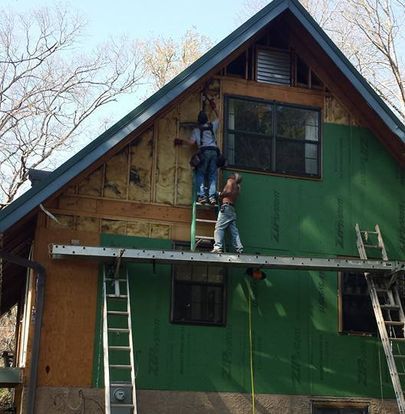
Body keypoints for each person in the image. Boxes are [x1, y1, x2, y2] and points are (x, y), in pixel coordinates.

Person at [174, 98, 219, 205]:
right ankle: (212, 197)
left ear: (198, 121)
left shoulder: (197, 130)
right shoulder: (212, 126)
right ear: (207, 120)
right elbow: (219, 118)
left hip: (203, 152)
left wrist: (180, 141)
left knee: (200, 174)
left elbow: (191, 143)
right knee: (212, 174)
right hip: (214, 152)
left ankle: (202, 196)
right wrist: (214, 107)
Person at [211, 173, 243, 254]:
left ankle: (217, 247)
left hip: (226, 207)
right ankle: (239, 248)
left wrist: (220, 194)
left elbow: (228, 191)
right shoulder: (238, 187)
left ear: (235, 177)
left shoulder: (231, 181)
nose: (230, 175)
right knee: (234, 231)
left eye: (233, 175)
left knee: (219, 227)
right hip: (232, 209)